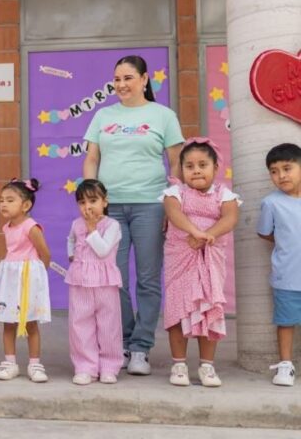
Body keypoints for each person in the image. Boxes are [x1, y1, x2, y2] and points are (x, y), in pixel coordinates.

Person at [82, 55, 185, 375]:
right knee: (114, 279)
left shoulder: (163, 116)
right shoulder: (103, 115)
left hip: (151, 206)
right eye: (117, 79)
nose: (121, 84)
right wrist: (92, 199)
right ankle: (123, 342)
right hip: (111, 209)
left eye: (128, 78)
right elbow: (92, 159)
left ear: (144, 79)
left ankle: (141, 347)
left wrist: (172, 204)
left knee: (149, 279)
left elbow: (176, 163)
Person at [163, 138, 239, 388]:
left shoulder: (224, 195)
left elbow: (230, 218)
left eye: (202, 165)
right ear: (182, 170)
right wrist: (194, 231)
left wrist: (208, 235)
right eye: (189, 166)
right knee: (178, 310)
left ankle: (207, 366)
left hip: (210, 260)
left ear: (215, 168)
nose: (196, 170)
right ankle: (179, 365)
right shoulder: (175, 193)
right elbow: (174, 214)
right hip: (180, 259)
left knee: (208, 310)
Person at [0, 179, 51, 382]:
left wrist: (37, 277)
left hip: (27, 279)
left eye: (10, 200)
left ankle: (35, 365)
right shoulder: (6, 227)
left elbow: (44, 253)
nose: (3, 204)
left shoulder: (31, 227)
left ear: (26, 205)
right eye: (1, 200)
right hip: (10, 278)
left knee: (30, 322)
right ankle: (10, 363)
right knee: (8, 322)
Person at [66, 180, 122, 385]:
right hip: (80, 282)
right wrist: (71, 254)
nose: (87, 207)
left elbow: (103, 250)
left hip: (105, 283)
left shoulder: (112, 225)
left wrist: (92, 229)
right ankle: (85, 367)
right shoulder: (76, 224)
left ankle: (109, 367)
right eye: (82, 202)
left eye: (93, 201)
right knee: (80, 325)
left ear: (104, 202)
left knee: (109, 326)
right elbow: (71, 239)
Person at [258, 143, 301, 387]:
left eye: (287, 168)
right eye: (274, 171)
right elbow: (265, 232)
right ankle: (285, 365)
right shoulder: (271, 203)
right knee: (285, 321)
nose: (281, 175)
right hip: (287, 276)